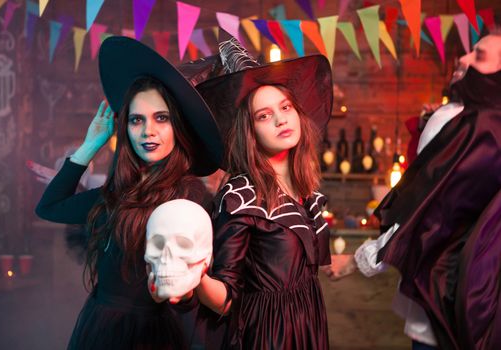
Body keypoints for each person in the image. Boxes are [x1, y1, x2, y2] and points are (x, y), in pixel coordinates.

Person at [36, 36, 223, 349]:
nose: (148, 131)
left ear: (178, 127)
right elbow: (50, 207)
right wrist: (90, 145)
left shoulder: (190, 196)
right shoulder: (118, 191)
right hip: (100, 328)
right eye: (137, 120)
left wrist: (182, 290)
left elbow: (193, 286)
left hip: (151, 336)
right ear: (126, 128)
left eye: (161, 118)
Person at [330, 30, 501, 350]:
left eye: (478, 56)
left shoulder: (463, 125)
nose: (462, 59)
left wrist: (355, 261)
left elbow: (422, 215)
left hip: (443, 305)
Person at [193, 38, 333, 349]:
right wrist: (195, 277)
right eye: (264, 115)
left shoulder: (304, 190)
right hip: (267, 335)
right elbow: (224, 298)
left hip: (308, 325)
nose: (281, 119)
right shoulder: (240, 195)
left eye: (285, 107)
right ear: (251, 131)